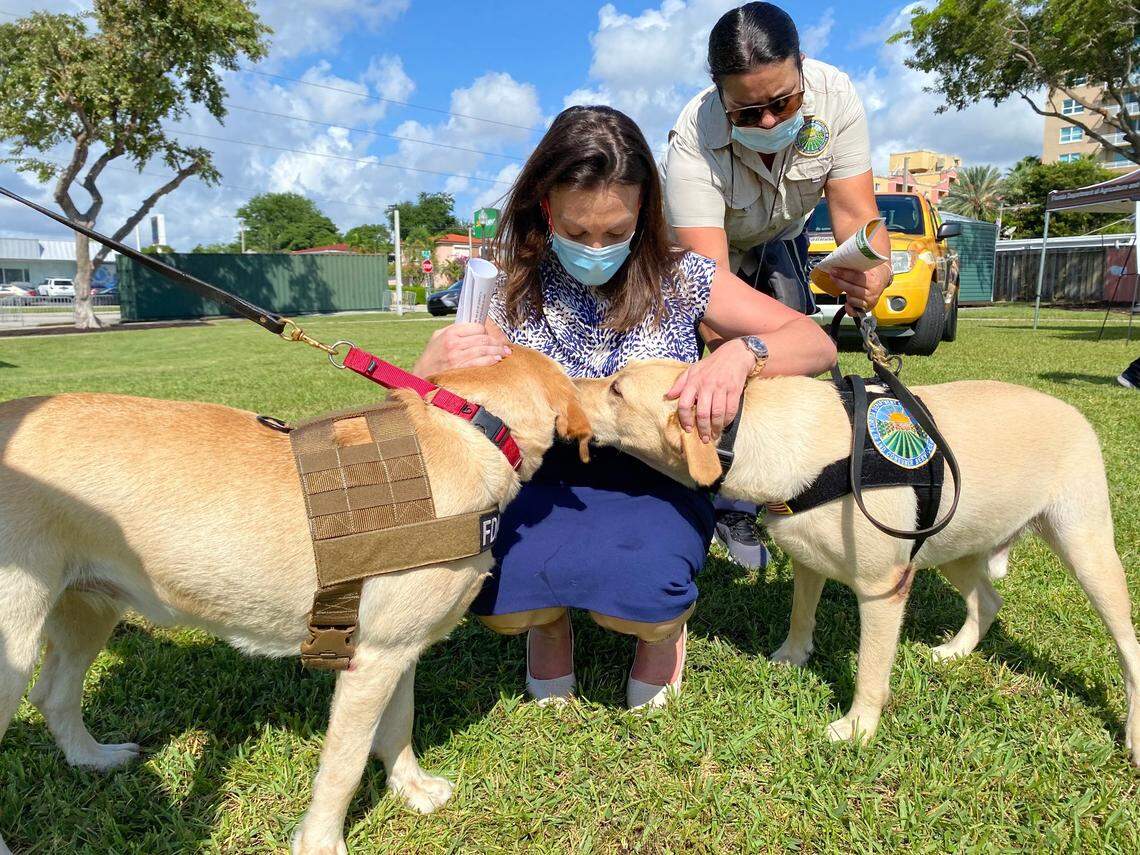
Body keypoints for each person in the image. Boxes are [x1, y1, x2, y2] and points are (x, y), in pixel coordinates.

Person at [413, 105, 835, 709]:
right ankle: (547, 623)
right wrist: (427, 372)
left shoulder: (682, 276)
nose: (596, 248)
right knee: (498, 591)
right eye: (578, 231)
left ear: (645, 212)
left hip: (656, 477)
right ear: (545, 208)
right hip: (546, 479)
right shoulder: (504, 290)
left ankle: (660, 630)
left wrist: (743, 353)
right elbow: (447, 418)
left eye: (616, 231)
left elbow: (815, 342)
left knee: (645, 588)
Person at [663, 2, 891, 567]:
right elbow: (709, 288)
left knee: (806, 359)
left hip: (781, 237)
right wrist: (736, 356)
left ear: (802, 68)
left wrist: (874, 268)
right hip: (709, 255)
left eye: (783, 102)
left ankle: (814, 485)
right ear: (718, 94)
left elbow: (858, 214)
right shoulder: (690, 139)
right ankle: (733, 500)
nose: (769, 121)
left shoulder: (837, 97)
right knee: (718, 367)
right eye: (747, 111)